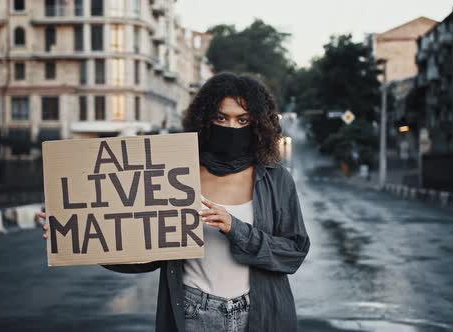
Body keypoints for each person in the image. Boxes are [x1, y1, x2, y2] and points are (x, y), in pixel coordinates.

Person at [39, 72, 310, 332]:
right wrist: (80, 237)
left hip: (260, 313)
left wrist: (236, 228)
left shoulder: (276, 180)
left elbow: (293, 254)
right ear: (204, 120)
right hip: (193, 314)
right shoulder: (178, 173)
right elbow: (146, 253)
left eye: (242, 120)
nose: (231, 127)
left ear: (258, 124)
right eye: (221, 117)